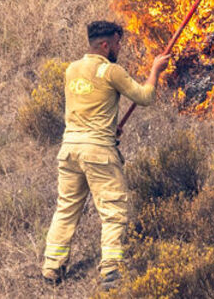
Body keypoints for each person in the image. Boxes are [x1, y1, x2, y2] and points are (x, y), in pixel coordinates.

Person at [41, 21, 170, 289]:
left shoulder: (71, 70)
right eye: (117, 42)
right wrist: (156, 71)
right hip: (98, 152)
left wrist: (111, 128)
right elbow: (145, 96)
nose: (119, 47)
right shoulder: (111, 71)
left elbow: (88, 107)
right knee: (113, 211)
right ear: (105, 44)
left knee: (66, 209)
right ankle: (111, 271)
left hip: (69, 151)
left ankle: (51, 268)